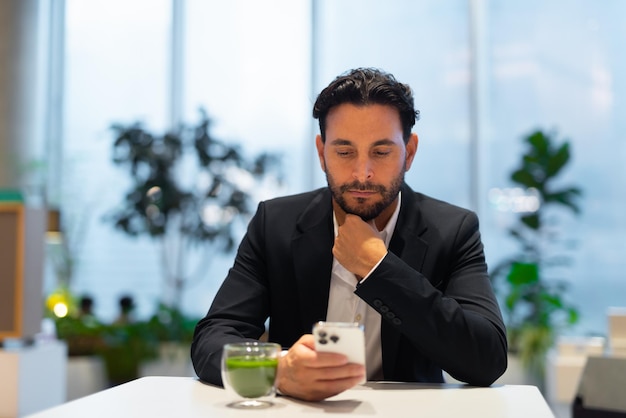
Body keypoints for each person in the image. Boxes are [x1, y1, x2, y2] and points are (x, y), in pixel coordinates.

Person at [191, 67, 507, 401]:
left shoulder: (452, 230)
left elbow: (486, 359)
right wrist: (278, 371)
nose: (362, 173)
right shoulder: (276, 224)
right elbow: (214, 337)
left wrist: (379, 268)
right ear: (321, 152)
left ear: (409, 152)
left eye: (381, 152)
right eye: (344, 152)